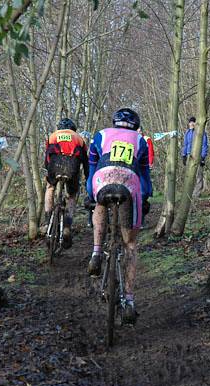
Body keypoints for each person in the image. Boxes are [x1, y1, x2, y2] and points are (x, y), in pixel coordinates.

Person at [86, 108, 152, 324]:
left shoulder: (100, 135)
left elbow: (92, 170)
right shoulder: (140, 141)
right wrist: (146, 197)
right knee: (130, 244)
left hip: (102, 180)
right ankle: (129, 301)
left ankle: (96, 252)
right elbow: (144, 178)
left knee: (99, 202)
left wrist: (90, 195)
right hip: (129, 184)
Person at [43, 118, 89, 248]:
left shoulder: (53, 136)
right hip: (72, 167)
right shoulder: (79, 138)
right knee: (72, 195)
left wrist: (48, 170)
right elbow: (85, 160)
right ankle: (67, 227)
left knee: (50, 187)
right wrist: (87, 176)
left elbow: (47, 156)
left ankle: (48, 220)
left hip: (55, 164)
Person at [181, 116, 208, 197]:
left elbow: (204, 145)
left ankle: (197, 193)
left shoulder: (201, 132)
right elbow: (185, 144)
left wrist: (203, 157)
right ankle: (189, 192)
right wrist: (184, 155)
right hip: (189, 155)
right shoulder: (187, 133)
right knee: (189, 175)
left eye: (193, 122)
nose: (192, 123)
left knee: (198, 174)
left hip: (198, 155)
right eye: (190, 122)